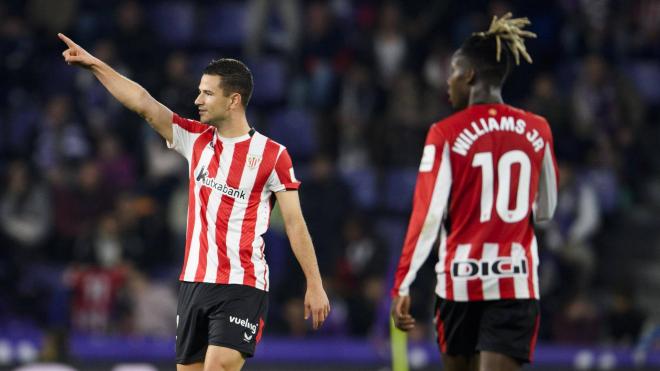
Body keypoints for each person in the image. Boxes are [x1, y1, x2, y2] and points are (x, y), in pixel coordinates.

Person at [58, 33, 330, 371]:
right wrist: (95, 65)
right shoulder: (194, 139)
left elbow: (295, 223)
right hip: (194, 283)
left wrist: (314, 283)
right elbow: (143, 102)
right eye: (199, 90)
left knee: (218, 366)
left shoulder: (273, 156)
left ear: (234, 100)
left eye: (207, 93)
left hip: (242, 284)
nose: (198, 99)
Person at [390, 14, 558, 371]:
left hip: (460, 284)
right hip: (515, 281)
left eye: (453, 71)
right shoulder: (538, 129)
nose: (447, 81)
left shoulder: (445, 133)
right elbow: (546, 209)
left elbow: (428, 216)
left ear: (469, 75)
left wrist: (403, 282)